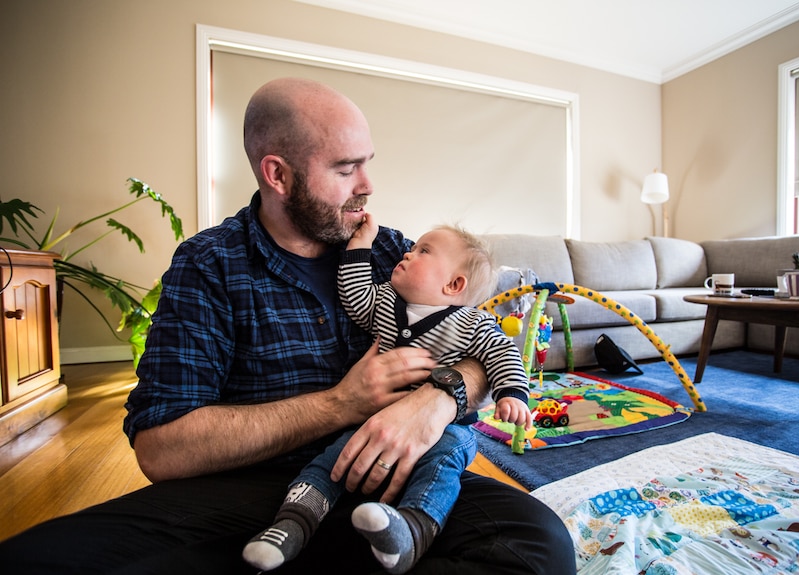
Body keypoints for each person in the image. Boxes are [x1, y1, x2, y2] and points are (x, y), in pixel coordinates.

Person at [0, 77, 576, 574]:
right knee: (45, 562)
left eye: (367, 163)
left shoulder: (392, 252)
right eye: (346, 168)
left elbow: (478, 338)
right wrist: (339, 405)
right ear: (278, 174)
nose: (367, 185)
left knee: (538, 548)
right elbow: (161, 449)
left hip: (395, 483)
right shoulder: (209, 265)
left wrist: (439, 402)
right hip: (259, 489)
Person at [243, 216, 532, 573]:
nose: (408, 254)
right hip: (375, 420)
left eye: (423, 251)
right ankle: (292, 523)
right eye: (412, 248)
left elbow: (502, 353)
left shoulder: (472, 323)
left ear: (454, 284)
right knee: (335, 458)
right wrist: (360, 246)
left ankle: (411, 530)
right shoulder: (386, 301)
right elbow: (354, 295)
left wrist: (513, 393)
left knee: (443, 465)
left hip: (446, 430)